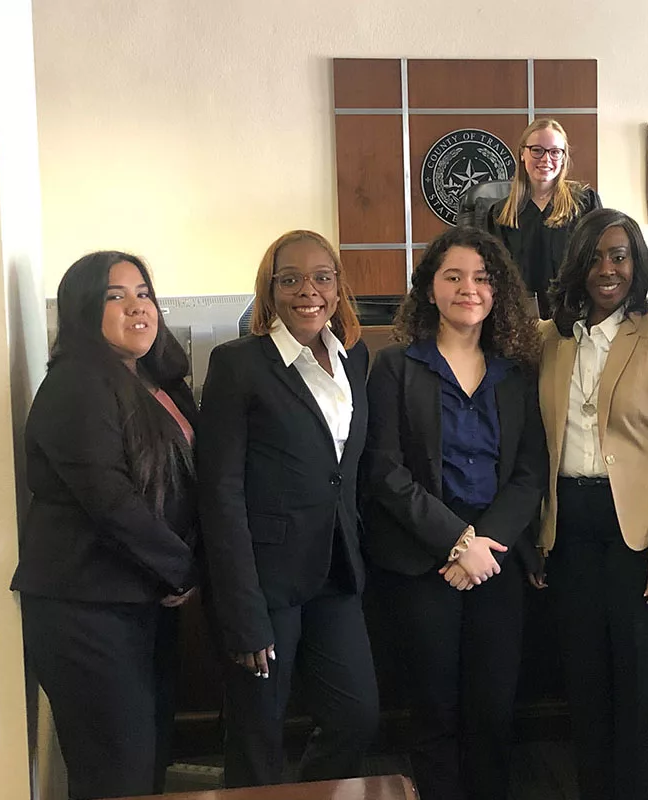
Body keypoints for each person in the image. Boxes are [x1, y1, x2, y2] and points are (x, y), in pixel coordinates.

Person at [362, 225, 547, 800]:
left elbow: (528, 472)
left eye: (483, 278)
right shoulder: (395, 367)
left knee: (493, 711)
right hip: (424, 559)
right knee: (433, 711)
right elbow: (384, 471)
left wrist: (483, 544)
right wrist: (454, 542)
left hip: (495, 560)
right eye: (454, 276)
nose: (469, 288)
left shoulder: (515, 374)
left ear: (498, 293)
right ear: (430, 289)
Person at [11, 251, 198, 799]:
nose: (136, 306)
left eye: (143, 292)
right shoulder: (77, 383)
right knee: (116, 775)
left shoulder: (153, 379)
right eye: (115, 296)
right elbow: (110, 499)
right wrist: (182, 570)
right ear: (81, 310)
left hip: (139, 602)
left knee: (146, 764)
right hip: (87, 609)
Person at [197, 230, 378, 787]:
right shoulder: (237, 365)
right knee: (258, 735)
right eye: (291, 278)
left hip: (335, 571)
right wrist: (243, 612)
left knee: (357, 718)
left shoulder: (353, 357)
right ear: (269, 289)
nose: (309, 290)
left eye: (323, 277)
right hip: (267, 583)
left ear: (339, 287)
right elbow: (220, 494)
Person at [536, 207, 648, 800]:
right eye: (595, 256)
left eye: (619, 255)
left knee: (647, 687)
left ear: (637, 264)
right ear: (575, 264)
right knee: (585, 684)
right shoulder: (551, 340)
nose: (607, 268)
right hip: (569, 530)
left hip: (641, 534)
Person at [486, 118, 601, 318]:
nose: (546, 159)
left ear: (564, 157)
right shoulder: (500, 214)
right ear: (523, 153)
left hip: (575, 319)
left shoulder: (585, 204)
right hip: (519, 322)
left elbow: (598, 263)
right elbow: (493, 275)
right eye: (537, 150)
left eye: (555, 151)